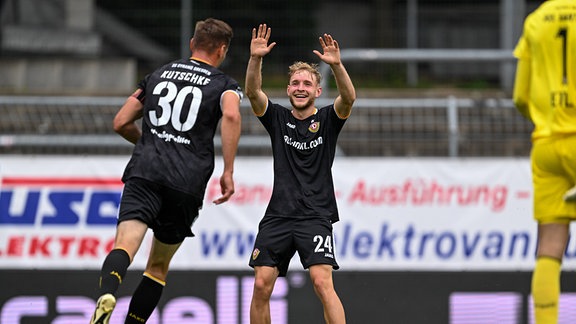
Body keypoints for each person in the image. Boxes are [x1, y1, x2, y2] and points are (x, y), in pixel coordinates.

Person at [89, 18, 242, 324]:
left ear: (192, 44)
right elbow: (231, 115)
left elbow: (121, 121)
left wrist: (151, 142)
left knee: (125, 244)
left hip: (146, 170)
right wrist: (228, 169)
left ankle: (108, 292)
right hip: (186, 182)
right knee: (157, 267)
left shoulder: (158, 75)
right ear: (222, 50)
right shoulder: (224, 85)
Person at [245, 23, 356, 324]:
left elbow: (348, 99)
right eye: (295, 83)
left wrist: (337, 66)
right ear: (288, 89)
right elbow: (253, 92)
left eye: (307, 84)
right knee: (260, 285)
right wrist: (256, 58)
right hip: (279, 215)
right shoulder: (278, 119)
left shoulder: (327, 120)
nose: (300, 88)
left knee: (322, 283)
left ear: (317, 91)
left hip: (315, 215)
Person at [512, 1, 576, 323]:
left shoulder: (537, 20)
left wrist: (544, 118)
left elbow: (520, 97)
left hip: (548, 144)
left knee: (549, 248)